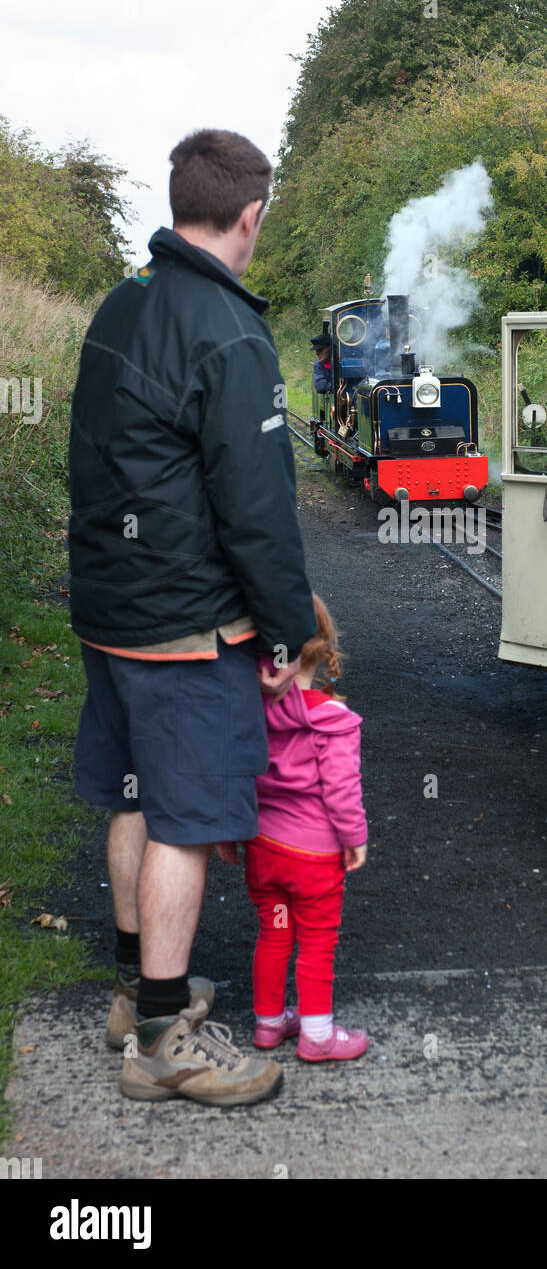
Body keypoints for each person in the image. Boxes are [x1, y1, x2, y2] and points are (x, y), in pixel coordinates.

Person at [69, 128, 318, 1106]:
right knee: (182, 819)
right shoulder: (228, 329)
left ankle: (137, 991)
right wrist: (291, 631)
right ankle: (167, 1042)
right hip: (185, 630)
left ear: (181, 203)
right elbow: (258, 514)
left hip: (109, 611)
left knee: (134, 794)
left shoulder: (120, 303)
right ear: (249, 216)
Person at [217, 593, 369, 1062]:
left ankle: (268, 1024)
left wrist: (229, 833)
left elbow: (233, 773)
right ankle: (318, 1034)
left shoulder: (248, 714)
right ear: (321, 649)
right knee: (317, 941)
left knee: (275, 931)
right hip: (315, 859)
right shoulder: (332, 720)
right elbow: (341, 789)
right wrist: (355, 837)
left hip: (265, 850)